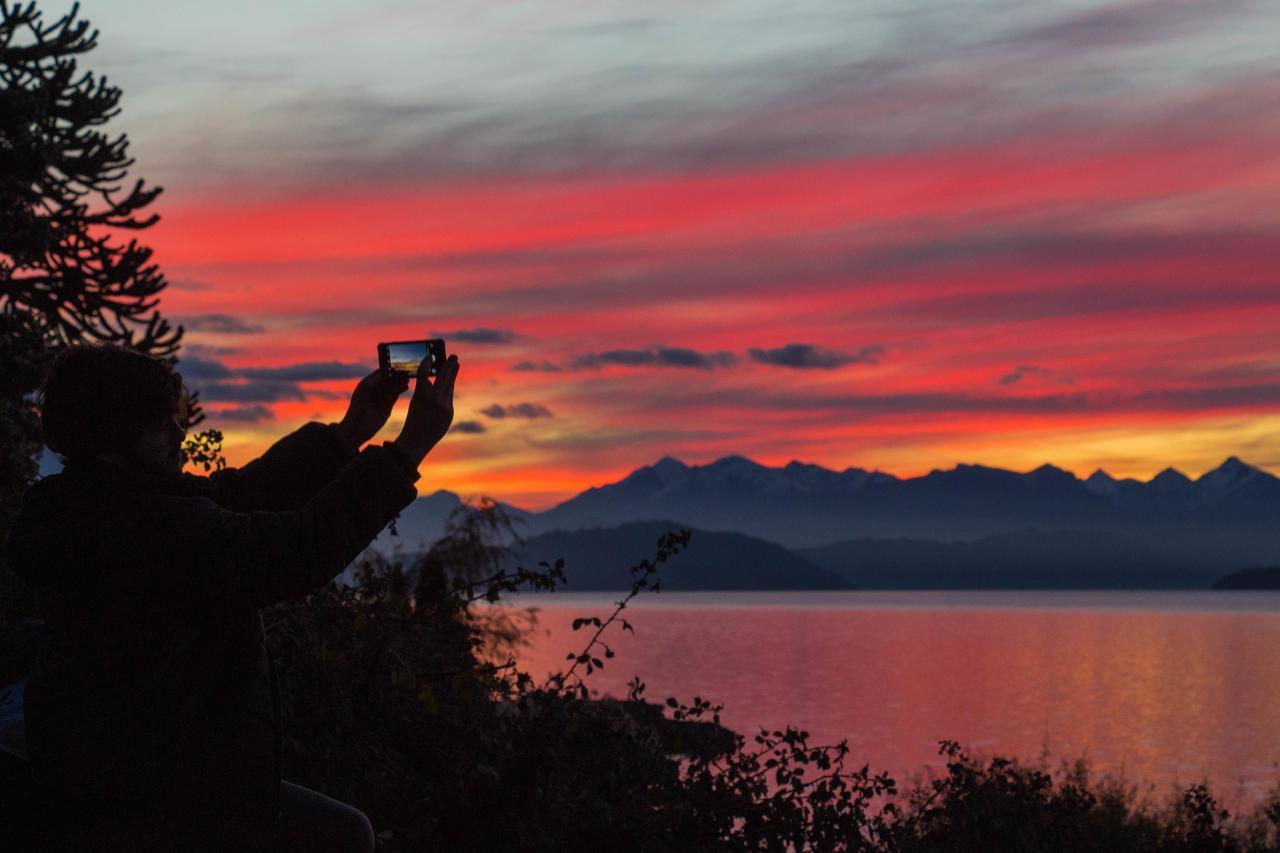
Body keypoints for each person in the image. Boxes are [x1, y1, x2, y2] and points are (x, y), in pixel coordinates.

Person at [6, 343, 460, 852]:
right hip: (167, 790)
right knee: (346, 836)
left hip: (104, 766)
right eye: (162, 424)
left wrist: (349, 434)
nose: (180, 433)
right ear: (114, 437)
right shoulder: (155, 530)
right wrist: (407, 451)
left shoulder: (83, 506)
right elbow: (300, 549)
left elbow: (238, 496)